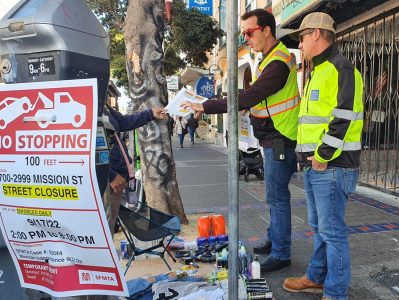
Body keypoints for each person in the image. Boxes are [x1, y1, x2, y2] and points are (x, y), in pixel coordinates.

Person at [182, 8, 300, 272]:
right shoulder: (268, 58)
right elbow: (260, 97)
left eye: (249, 32)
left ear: (266, 30)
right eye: (243, 33)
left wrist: (207, 106)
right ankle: (275, 239)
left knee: (277, 197)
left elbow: (251, 96)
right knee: (274, 195)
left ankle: (281, 253)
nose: (246, 38)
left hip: (281, 137)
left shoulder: (278, 61)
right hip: (273, 136)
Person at [282, 12, 364, 300]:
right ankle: (316, 277)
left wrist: (323, 155)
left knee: (332, 233)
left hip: (332, 166)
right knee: (320, 228)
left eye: (302, 37)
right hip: (317, 166)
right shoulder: (318, 70)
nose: (300, 45)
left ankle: (335, 292)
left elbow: (344, 117)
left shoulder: (341, 68)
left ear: (317, 34)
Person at [103, 104, 167, 233]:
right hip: (105, 178)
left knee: (110, 221)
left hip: (117, 175)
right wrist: (109, 174)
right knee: (102, 225)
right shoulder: (84, 101)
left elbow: (121, 122)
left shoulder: (102, 103)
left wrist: (150, 114)